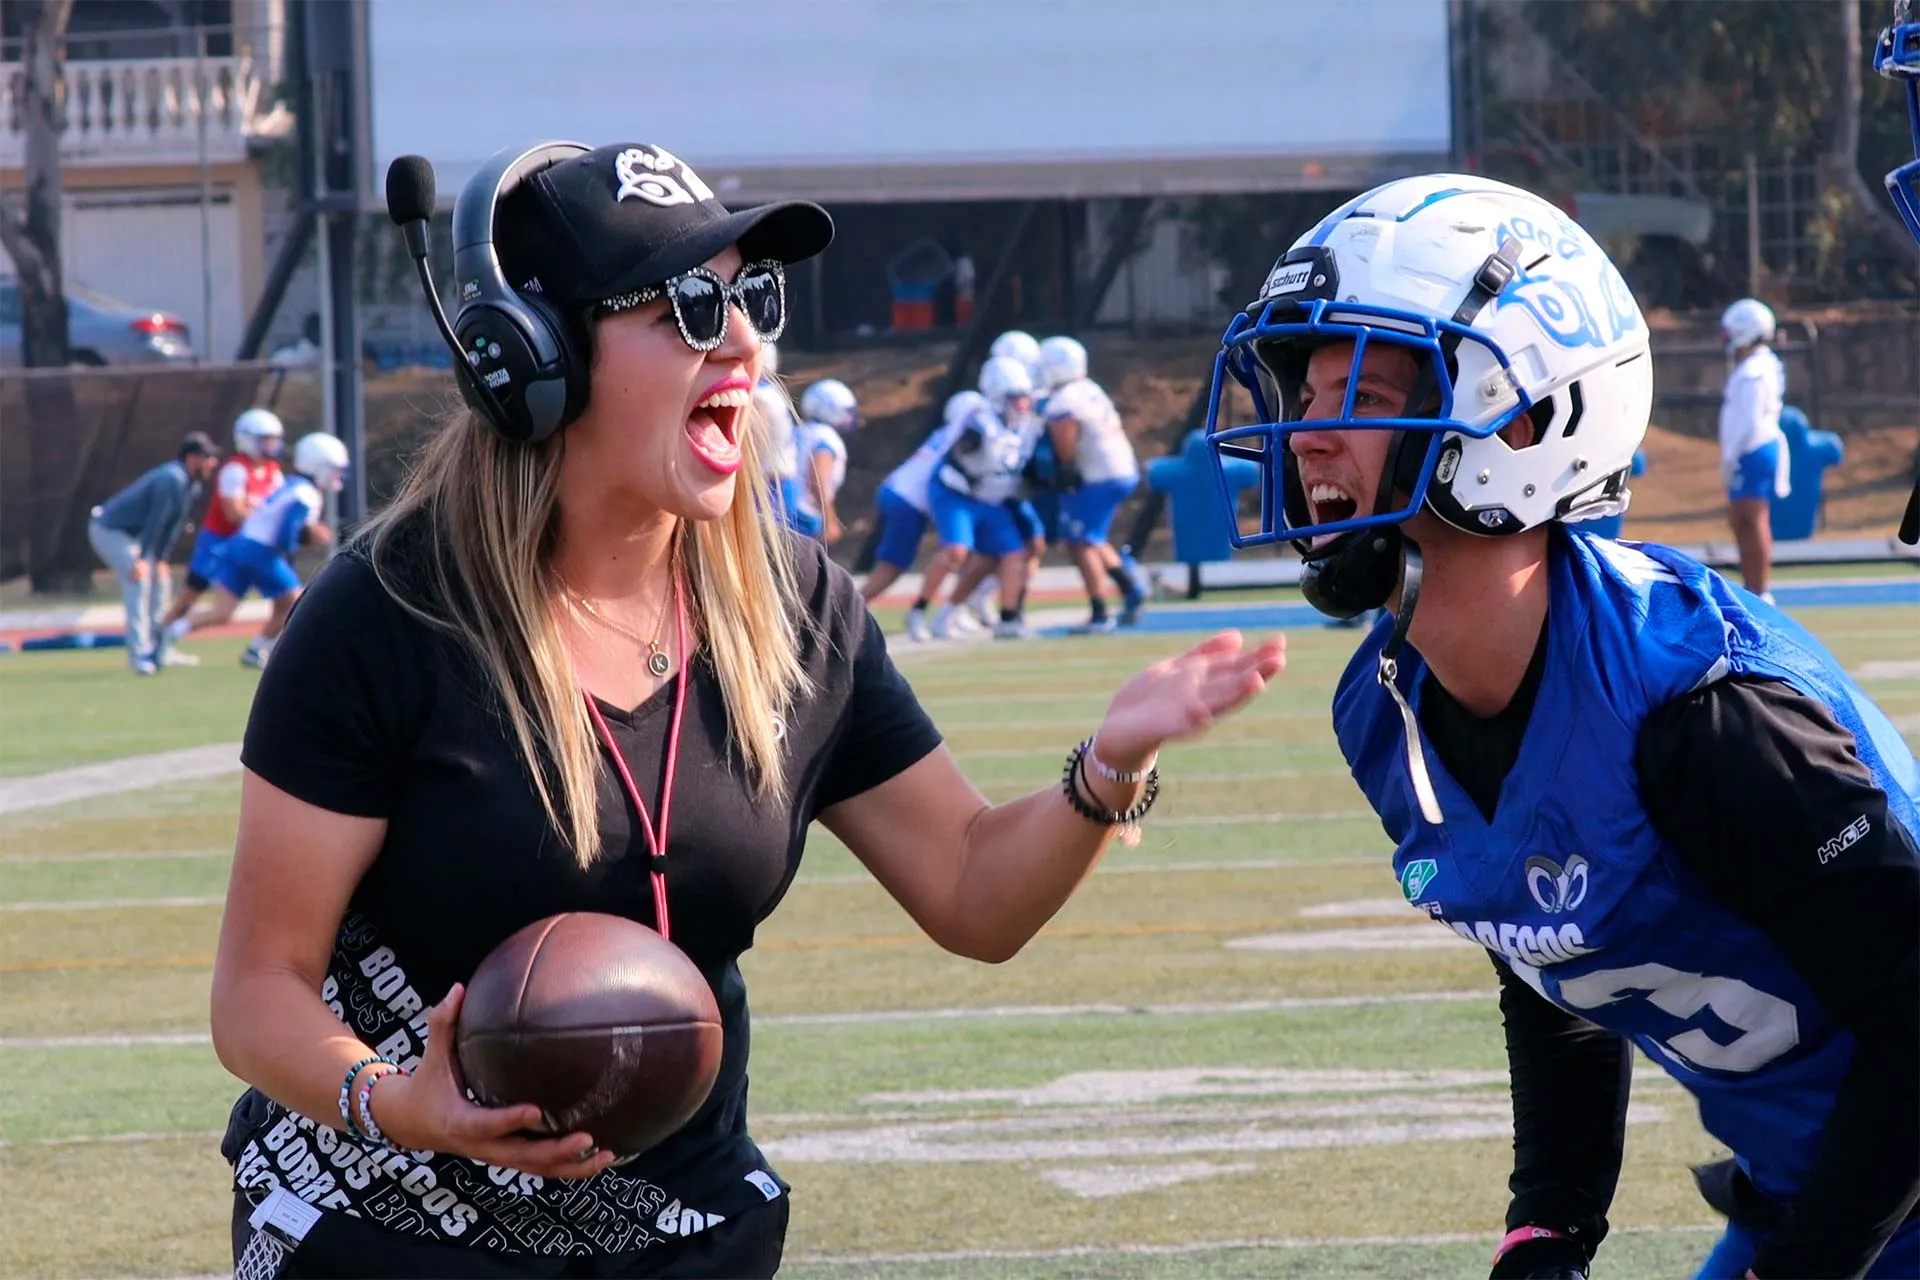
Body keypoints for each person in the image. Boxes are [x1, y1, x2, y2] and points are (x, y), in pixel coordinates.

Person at [210, 139, 1284, 1279]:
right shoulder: (385, 613)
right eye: (688, 303)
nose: (741, 337)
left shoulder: (793, 603)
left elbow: (973, 891)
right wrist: (397, 1101)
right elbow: (255, 990)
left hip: (682, 1228)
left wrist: (1109, 765)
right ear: (536, 354)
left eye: (750, 297)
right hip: (389, 1223)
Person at [1203, 173, 1918, 1280]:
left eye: (1364, 394)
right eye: (1305, 393)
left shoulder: (1702, 717)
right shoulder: (1386, 704)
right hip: (1816, 1188)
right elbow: (1552, 955)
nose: (1306, 436)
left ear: (1524, 421)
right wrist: (1551, 1224)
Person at [176, 432, 345, 670]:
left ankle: (169, 634)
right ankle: (258, 649)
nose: (338, 475)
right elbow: (288, 533)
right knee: (295, 601)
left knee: (221, 613)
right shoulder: (305, 494)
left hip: (240, 544)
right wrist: (307, 539)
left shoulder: (292, 484)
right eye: (334, 469)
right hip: (258, 550)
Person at [155, 407, 287, 666]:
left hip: (247, 547)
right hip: (218, 542)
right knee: (191, 596)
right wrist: (266, 517)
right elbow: (234, 512)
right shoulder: (235, 469)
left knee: (234, 609)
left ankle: (261, 647)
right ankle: (159, 642)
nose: (271, 445)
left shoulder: (273, 470)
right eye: (265, 439)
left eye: (274, 439)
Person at [922, 355, 1037, 640]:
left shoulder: (1025, 425)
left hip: (993, 502)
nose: (1023, 404)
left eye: (1025, 397)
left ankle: (1008, 620)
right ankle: (919, 611)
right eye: (1016, 398)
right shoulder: (980, 424)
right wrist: (967, 447)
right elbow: (960, 450)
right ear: (999, 397)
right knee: (957, 552)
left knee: (1015, 555)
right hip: (963, 497)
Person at [1035, 335, 1144, 633]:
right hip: (1121, 469)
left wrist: (1066, 467)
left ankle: (1099, 612)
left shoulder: (1064, 399)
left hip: (1099, 476)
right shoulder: (1089, 389)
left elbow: (1064, 432)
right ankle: (1130, 589)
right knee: (1091, 537)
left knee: (1080, 543)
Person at [87, 432, 220, 675]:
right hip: (111, 530)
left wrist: (161, 558)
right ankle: (139, 656)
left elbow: (174, 524)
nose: (212, 463)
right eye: (207, 457)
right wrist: (142, 559)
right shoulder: (171, 479)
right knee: (139, 583)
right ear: (191, 458)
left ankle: (161, 649)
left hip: (137, 538)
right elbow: (155, 521)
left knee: (162, 583)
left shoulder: (193, 485)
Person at [861, 389, 980, 614]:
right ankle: (852, 608)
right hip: (908, 499)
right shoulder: (960, 433)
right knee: (894, 565)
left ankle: (959, 607)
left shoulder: (946, 433)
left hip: (900, 491)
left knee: (965, 548)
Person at [1717, 298, 1789, 604]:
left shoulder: (1756, 370)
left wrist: (1731, 455)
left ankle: (1760, 590)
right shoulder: (1756, 366)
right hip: (1750, 450)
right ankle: (1752, 587)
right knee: (1739, 518)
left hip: (1754, 449)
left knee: (1753, 516)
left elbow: (1749, 420)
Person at [794, 378, 858, 545]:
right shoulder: (825, 438)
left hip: (783, 506)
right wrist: (829, 519)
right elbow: (817, 478)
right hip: (803, 514)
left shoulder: (798, 431)